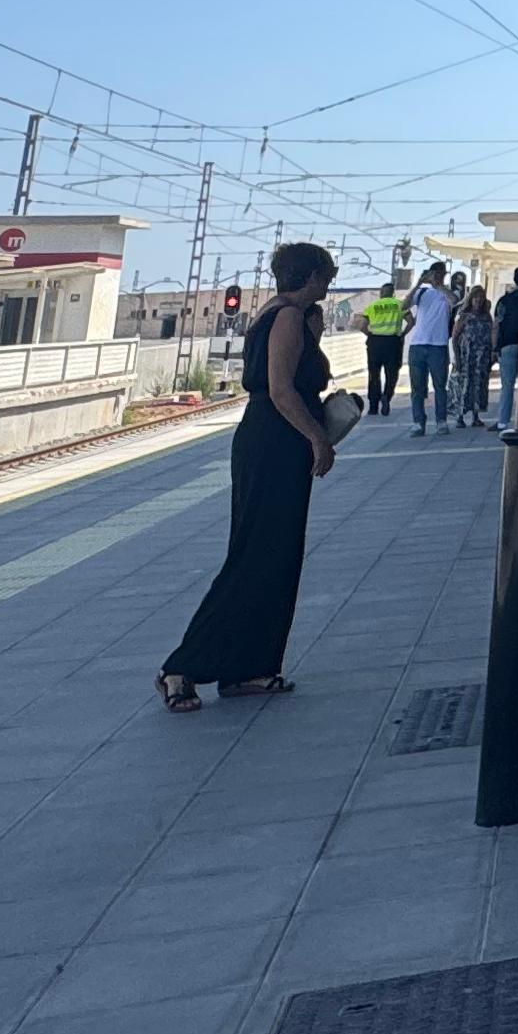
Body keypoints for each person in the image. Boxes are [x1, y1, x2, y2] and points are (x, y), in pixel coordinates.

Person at [160, 241, 343, 709]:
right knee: (256, 555)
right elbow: (282, 391)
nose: (329, 284)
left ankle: (251, 668)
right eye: (325, 275)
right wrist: (317, 439)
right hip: (274, 441)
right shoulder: (285, 317)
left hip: (274, 440)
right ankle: (181, 667)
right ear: (307, 277)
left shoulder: (283, 316)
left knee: (277, 557)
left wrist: (316, 340)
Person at [405, 262, 455, 436]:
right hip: (418, 344)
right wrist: (419, 283)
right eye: (435, 273)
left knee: (440, 385)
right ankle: (418, 422)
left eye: (441, 274)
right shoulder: (421, 293)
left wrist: (438, 285)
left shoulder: (445, 293)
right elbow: (403, 306)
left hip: (438, 345)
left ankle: (441, 420)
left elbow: (454, 301)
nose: (438, 276)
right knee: (417, 387)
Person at [452, 276, 497, 429]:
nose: (478, 301)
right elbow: (455, 337)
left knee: (479, 385)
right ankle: (460, 416)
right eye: (476, 298)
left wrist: (492, 353)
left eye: (481, 298)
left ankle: (476, 415)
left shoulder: (486, 317)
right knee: (464, 385)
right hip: (467, 356)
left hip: (482, 356)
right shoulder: (464, 316)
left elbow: (491, 333)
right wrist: (457, 358)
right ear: (471, 300)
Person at [359, 277, 408, 413]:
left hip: (375, 342)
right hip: (392, 342)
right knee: (391, 373)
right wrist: (403, 334)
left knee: (374, 374)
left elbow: (362, 326)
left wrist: (370, 335)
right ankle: (386, 396)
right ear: (393, 293)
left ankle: (373, 406)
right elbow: (411, 321)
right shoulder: (400, 304)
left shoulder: (372, 306)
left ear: (381, 293)